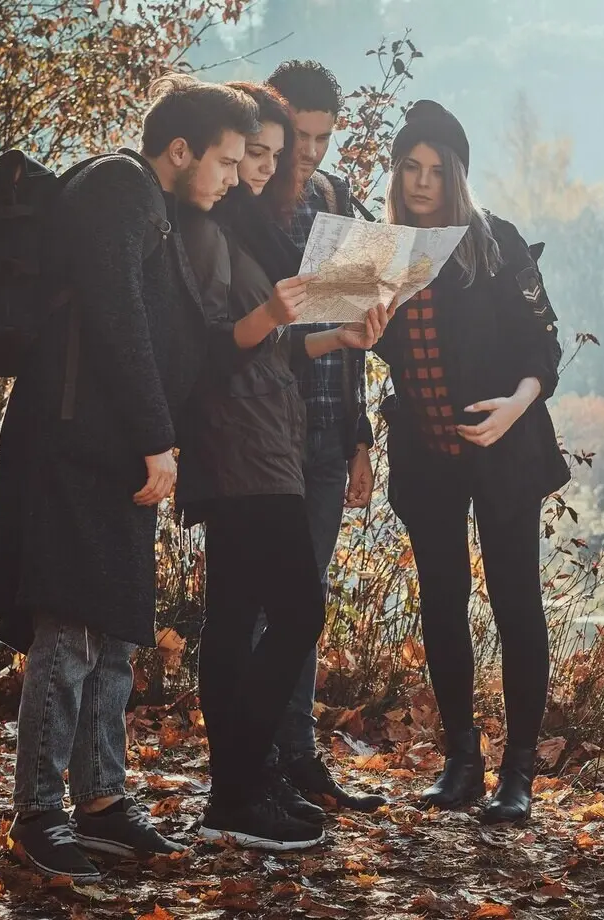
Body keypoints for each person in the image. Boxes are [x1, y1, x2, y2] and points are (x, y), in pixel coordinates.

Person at [0, 76, 260, 881]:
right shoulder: (119, 187)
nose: (234, 177)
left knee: (115, 632)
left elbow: (169, 330)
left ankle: (101, 801)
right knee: (67, 633)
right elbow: (116, 315)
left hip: (112, 456)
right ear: (180, 150)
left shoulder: (154, 206)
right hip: (76, 449)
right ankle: (38, 814)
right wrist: (155, 438)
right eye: (228, 161)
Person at [174, 82, 387, 851]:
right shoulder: (209, 226)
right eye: (251, 154)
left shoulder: (248, 224)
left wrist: (342, 339)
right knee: (296, 611)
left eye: (268, 155)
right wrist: (274, 315)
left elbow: (278, 345)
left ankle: (239, 790)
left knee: (234, 616)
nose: (261, 169)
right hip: (238, 444)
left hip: (266, 435)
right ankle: (237, 787)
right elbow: (214, 343)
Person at [373, 101, 570, 825]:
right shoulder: (381, 251)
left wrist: (518, 406)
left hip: (506, 448)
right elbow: (351, 344)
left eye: (436, 170)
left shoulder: (496, 244)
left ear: (457, 175)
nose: (422, 182)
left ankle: (517, 773)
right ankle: (462, 761)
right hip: (427, 453)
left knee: (516, 601)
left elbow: (543, 349)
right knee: (442, 601)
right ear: (396, 174)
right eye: (409, 168)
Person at [263, 59, 386, 813]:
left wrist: (360, 438)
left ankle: (300, 759)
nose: (310, 153)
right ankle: (252, 762)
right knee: (256, 610)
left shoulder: (335, 202)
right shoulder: (246, 199)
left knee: (305, 602)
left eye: (322, 138)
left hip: (326, 432)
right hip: (263, 434)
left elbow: (353, 340)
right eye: (301, 136)